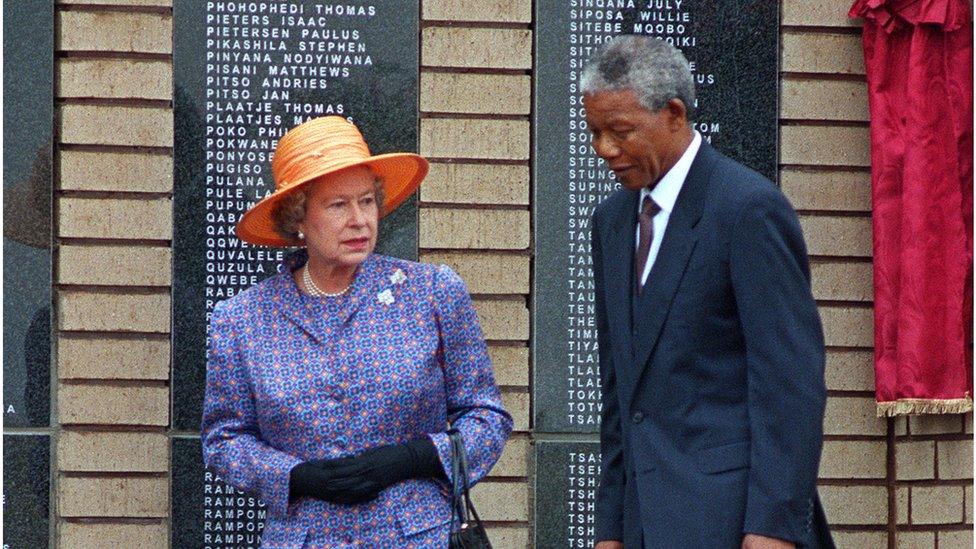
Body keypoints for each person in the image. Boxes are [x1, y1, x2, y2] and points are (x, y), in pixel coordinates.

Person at [200, 116, 513, 548]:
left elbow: (487, 418)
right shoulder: (243, 319)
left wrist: (413, 458)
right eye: (337, 205)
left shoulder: (431, 293)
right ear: (299, 219)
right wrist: (295, 476)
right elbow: (224, 440)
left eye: (367, 202)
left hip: (418, 536)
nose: (359, 220)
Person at [582, 36, 833, 548]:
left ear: (674, 113)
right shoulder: (611, 221)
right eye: (594, 132)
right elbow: (620, 395)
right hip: (642, 525)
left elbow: (790, 385)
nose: (604, 150)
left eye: (620, 131)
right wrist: (609, 527)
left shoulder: (747, 209)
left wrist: (772, 529)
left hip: (733, 522)